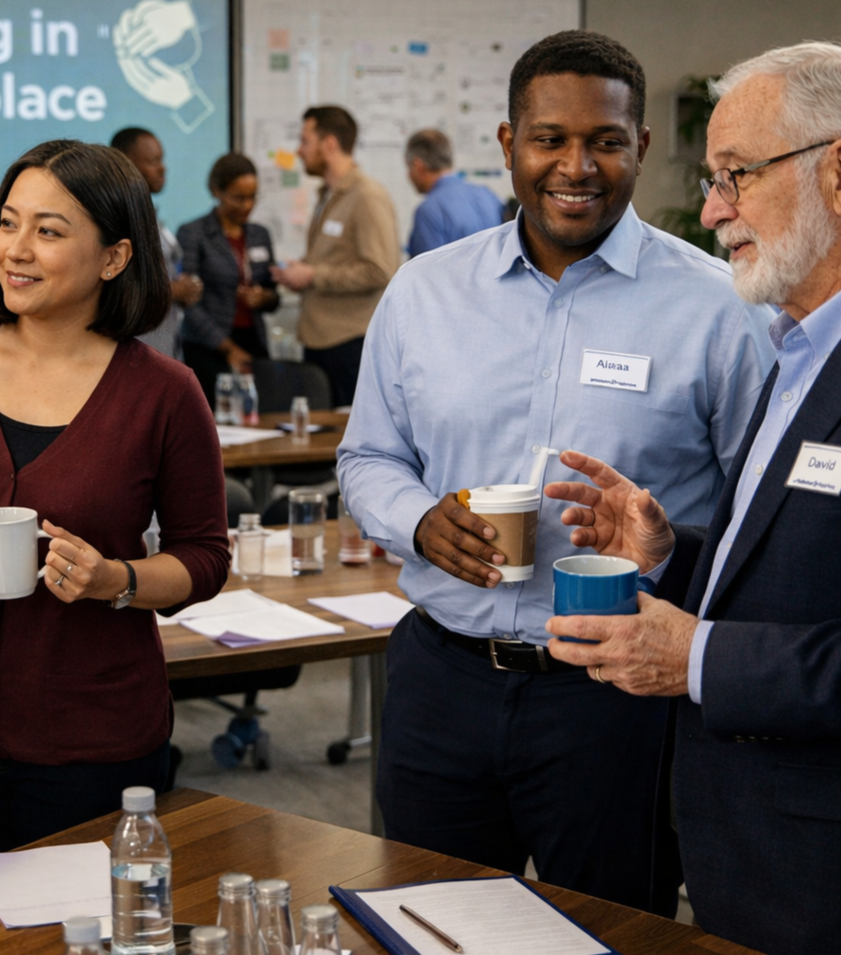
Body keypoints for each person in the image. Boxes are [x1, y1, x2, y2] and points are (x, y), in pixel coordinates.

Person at [335, 30, 775, 915]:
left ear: (641, 148)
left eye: (606, 141)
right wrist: (419, 519)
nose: (576, 165)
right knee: (426, 922)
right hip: (440, 683)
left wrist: (664, 551)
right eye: (549, 139)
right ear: (508, 145)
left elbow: (762, 520)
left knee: (614, 927)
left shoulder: (721, 306)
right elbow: (368, 456)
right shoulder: (423, 291)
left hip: (617, 699)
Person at [544, 42, 841, 955]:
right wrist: (678, 554)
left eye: (735, 176)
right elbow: (815, 566)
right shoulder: (801, 341)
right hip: (754, 863)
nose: (709, 211)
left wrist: (699, 658)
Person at [0, 139, 231, 885]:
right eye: (7, 223)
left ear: (115, 257)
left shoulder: (164, 391)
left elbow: (203, 556)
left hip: (89, 731)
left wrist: (114, 578)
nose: (15, 250)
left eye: (49, 231)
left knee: (79, 928)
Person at [272, 105, 400, 407]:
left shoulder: (366, 196)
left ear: (329, 144)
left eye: (305, 141)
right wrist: (300, 272)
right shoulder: (328, 194)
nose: (299, 151)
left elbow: (380, 270)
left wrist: (313, 275)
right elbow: (337, 258)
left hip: (349, 345)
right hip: (320, 340)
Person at [177, 153, 280, 405]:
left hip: (253, 343)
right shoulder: (194, 233)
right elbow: (187, 300)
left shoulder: (260, 235)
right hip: (208, 346)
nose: (247, 205)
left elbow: (273, 295)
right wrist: (226, 348)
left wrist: (264, 297)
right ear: (216, 191)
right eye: (238, 197)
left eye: (252, 196)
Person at [111, 126, 202, 359]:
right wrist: (172, 290)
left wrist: (183, 287)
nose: (163, 168)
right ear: (126, 164)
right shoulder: (116, 218)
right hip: (132, 353)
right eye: (153, 161)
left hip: (163, 345)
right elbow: (114, 286)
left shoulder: (150, 215)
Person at [404, 128, 506, 257]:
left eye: (408, 168)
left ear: (418, 165)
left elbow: (424, 273)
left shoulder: (428, 210)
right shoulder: (488, 195)